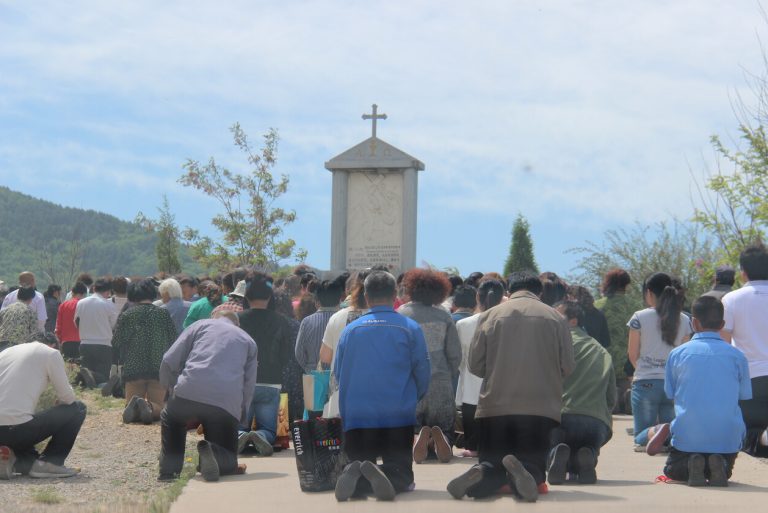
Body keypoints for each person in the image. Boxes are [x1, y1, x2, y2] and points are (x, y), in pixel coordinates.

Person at [447, 271, 574, 502]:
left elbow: (475, 365)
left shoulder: (490, 315)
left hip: (495, 405)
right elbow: (567, 366)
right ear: (539, 292)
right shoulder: (556, 318)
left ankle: (484, 472)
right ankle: (527, 472)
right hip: (540, 406)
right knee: (533, 461)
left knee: (492, 459)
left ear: (509, 291)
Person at [334, 271, 430, 501]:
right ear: (395, 294)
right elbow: (423, 371)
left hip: (357, 414)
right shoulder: (410, 328)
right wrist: (414, 398)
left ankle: (358, 479)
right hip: (397, 413)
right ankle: (390, 475)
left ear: (366, 296)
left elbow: (337, 372)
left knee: (357, 462)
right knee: (403, 473)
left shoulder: (350, 330)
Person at [649, 296, 751, 486]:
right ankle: (719, 465)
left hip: (687, 437)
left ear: (693, 323)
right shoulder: (738, 356)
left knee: (672, 470)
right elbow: (744, 395)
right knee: (724, 465)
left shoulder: (677, 354)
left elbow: (670, 393)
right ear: (722, 324)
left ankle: (691, 464)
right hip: (726, 438)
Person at [158, 310, 258, 482]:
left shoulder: (200, 325)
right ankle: (211, 450)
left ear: (214, 317)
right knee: (228, 459)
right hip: (225, 401)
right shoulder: (248, 340)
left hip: (189, 388)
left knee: (172, 419)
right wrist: (240, 415)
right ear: (237, 324)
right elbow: (249, 384)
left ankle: (169, 472)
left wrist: (172, 388)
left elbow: (168, 360)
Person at [548, 300, 616, 485]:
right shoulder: (602, 351)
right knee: (588, 446)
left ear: (573, 321)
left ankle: (555, 454)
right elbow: (611, 398)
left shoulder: (554, 344)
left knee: (549, 440)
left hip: (561, 419)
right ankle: (587, 457)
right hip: (595, 424)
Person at [398, 269, 461, 464]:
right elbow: (454, 353)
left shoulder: (402, 314)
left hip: (412, 381)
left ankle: (417, 439)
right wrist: (448, 373)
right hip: (439, 379)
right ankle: (443, 442)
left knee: (411, 424)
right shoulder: (443, 315)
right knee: (444, 424)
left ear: (411, 289)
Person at [0, 340, 87, 479]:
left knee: (32, 459)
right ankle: (50, 462)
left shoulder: (5, 353)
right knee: (78, 409)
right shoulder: (50, 353)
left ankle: (7, 457)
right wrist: (60, 403)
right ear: (52, 344)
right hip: (18, 428)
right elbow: (68, 398)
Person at [628, 272, 692, 450]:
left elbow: (632, 354)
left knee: (641, 436)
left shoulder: (639, 317)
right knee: (671, 434)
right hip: (673, 384)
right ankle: (665, 433)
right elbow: (685, 355)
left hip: (646, 383)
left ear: (649, 293)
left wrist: (642, 369)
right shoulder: (685, 319)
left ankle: (656, 430)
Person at [236, 271, 293, 455]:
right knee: (269, 429)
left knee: (238, 426)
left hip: (242, 382)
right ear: (270, 296)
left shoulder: (237, 319)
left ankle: (240, 436)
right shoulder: (281, 321)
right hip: (271, 382)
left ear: (246, 296)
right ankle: (260, 435)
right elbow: (286, 355)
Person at [721, 243, 768, 455]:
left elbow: (723, 346)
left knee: (747, 435)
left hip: (748, 381)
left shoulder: (731, 299)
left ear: (743, 273)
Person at [112, 279, 178, 424]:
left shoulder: (127, 315)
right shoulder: (163, 314)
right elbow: (174, 341)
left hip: (133, 368)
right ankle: (148, 406)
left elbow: (116, 342)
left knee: (131, 406)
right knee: (160, 407)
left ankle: (136, 406)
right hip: (158, 368)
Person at [455, 279, 505, 457]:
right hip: (500, 389)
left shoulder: (464, 324)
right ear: (502, 298)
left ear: (477, 297)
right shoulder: (506, 323)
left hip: (471, 387)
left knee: (473, 437)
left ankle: (473, 448)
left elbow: (458, 359)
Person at [595, 268, 638, 413]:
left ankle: (612, 404)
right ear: (626, 285)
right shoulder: (636, 307)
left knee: (608, 393)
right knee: (627, 385)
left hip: (605, 360)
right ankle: (627, 399)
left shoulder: (598, 305)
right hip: (629, 361)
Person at [294, 276, 345, 373]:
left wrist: (309, 368)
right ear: (340, 299)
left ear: (317, 300)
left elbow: (299, 353)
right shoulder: (345, 320)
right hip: (338, 375)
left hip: (314, 376)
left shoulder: (307, 321)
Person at [75, 277, 119, 385]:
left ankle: (87, 375)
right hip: (103, 344)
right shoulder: (109, 305)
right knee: (103, 376)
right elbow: (114, 325)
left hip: (85, 343)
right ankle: (93, 377)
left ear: (94, 288)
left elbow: (76, 321)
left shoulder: (81, 303)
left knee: (86, 380)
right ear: (108, 291)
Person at [55, 282, 87, 360]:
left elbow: (59, 325)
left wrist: (58, 339)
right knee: (80, 369)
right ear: (84, 294)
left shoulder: (63, 305)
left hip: (66, 342)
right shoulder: (84, 305)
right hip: (82, 341)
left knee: (68, 369)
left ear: (72, 292)